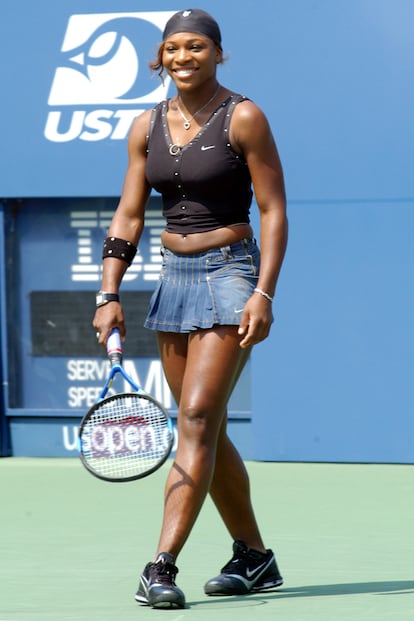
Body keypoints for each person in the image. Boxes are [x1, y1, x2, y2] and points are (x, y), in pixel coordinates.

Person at [93, 8, 288, 610]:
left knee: (198, 418)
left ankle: (160, 565)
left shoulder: (245, 116)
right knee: (205, 424)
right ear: (160, 57)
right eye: (173, 48)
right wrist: (108, 291)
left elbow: (274, 209)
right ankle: (255, 557)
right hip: (171, 278)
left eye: (197, 47)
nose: (184, 57)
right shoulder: (144, 125)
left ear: (217, 54)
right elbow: (128, 214)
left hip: (231, 274)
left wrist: (264, 291)